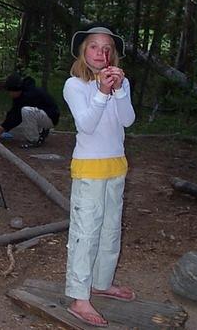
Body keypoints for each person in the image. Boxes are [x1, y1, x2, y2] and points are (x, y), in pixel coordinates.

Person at [62, 24, 136, 328]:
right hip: (89, 169)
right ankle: (79, 298)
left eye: (107, 49)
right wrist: (103, 92)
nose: (101, 53)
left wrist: (117, 92)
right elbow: (86, 125)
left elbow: (128, 120)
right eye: (94, 46)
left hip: (116, 165)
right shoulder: (74, 85)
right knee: (86, 232)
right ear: (83, 51)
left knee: (110, 230)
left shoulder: (122, 82)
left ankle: (102, 283)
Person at [0, 73, 60, 148]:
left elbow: (16, 116)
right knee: (12, 129)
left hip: (50, 117)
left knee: (26, 111)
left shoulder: (28, 95)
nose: (9, 94)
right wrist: (0, 129)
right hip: (41, 115)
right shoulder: (22, 94)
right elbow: (13, 113)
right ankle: (41, 130)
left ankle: (34, 140)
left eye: (10, 91)